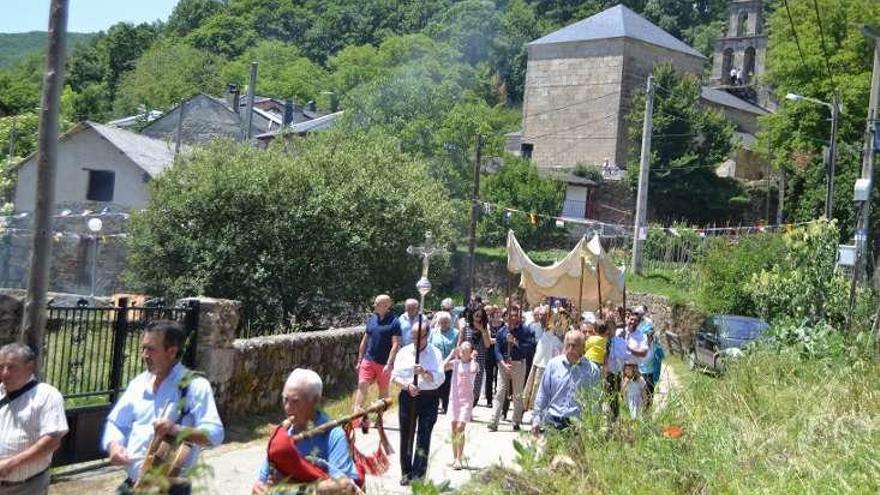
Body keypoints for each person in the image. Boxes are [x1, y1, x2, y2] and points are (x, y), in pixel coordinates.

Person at [103, 320, 224, 495]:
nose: (144, 354)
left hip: (170, 489)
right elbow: (116, 423)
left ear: (172, 351)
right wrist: (114, 446)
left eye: (151, 349)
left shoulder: (195, 386)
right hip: (134, 485)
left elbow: (215, 435)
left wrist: (175, 429)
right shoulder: (138, 384)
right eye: (143, 348)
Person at [252, 369, 358, 495]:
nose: (288, 408)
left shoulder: (333, 435)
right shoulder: (282, 437)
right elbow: (263, 481)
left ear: (315, 401)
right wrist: (258, 489)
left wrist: (291, 488)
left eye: (295, 401)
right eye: (285, 399)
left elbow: (344, 487)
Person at [0, 343, 68, 495]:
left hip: (27, 487)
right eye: (1, 367)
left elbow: (52, 441)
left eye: (11, 367)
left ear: (29, 367)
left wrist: (10, 464)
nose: (5, 373)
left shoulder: (47, 396)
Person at [391, 321, 445, 486]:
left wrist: (424, 372)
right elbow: (394, 376)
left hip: (429, 398)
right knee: (406, 434)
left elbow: (440, 379)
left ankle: (418, 475)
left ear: (427, 336)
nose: (414, 340)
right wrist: (407, 385)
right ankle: (406, 472)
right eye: (412, 336)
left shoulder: (435, 353)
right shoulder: (404, 352)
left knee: (424, 435)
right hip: (408, 397)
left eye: (418, 337)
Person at [531, 330, 601, 435]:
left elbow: (595, 399)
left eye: (575, 346)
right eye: (568, 345)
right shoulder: (553, 365)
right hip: (553, 420)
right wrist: (536, 419)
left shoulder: (592, 370)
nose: (571, 349)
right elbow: (543, 393)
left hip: (578, 424)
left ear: (583, 348)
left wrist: (593, 425)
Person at [354, 294, 401, 433]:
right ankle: (358, 416)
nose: (374, 305)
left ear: (386, 305)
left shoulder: (394, 322)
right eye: (375, 303)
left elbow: (396, 344)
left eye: (377, 303)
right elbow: (365, 340)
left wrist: (389, 363)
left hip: (384, 363)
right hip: (368, 359)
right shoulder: (372, 319)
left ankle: (379, 419)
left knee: (383, 391)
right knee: (362, 384)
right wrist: (359, 360)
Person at [488, 305, 535, 432]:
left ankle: (516, 421)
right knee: (500, 392)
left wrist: (514, 341)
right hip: (504, 365)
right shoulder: (502, 331)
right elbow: (497, 350)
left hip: (518, 364)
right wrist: (503, 364)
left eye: (516, 315)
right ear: (507, 316)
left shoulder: (525, 331)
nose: (513, 318)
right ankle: (494, 421)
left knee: (518, 394)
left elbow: (528, 348)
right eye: (511, 315)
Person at [443, 342, 479, 470]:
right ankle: (455, 457)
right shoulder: (456, 363)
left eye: (466, 349)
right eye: (461, 349)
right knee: (453, 428)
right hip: (454, 399)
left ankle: (459, 458)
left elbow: (474, 370)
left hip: (466, 400)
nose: (463, 351)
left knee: (460, 427)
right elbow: (442, 367)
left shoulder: (473, 364)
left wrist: (474, 358)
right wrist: (451, 355)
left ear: (470, 352)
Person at [523, 311, 563, 410]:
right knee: (536, 387)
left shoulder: (559, 338)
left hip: (552, 367)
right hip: (540, 364)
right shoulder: (545, 333)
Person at [457, 306, 491, 407]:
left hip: (479, 359)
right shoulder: (465, 327)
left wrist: (482, 330)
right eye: (476, 315)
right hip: (465, 360)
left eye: (480, 316)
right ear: (471, 315)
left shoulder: (484, 328)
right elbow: (459, 344)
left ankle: (471, 406)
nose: (478, 318)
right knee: (464, 384)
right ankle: (464, 407)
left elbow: (487, 345)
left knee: (476, 386)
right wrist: (459, 356)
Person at [429, 311, 458, 414]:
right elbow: (429, 346)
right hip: (436, 363)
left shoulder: (455, 333)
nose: (444, 324)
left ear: (450, 322)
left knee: (447, 386)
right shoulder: (433, 332)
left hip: (450, 364)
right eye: (442, 322)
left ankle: (446, 407)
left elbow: (456, 348)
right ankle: (434, 406)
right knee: (436, 385)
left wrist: (450, 360)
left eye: (446, 322)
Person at [639, 327, 665, 409]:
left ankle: (648, 416)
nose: (649, 337)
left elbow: (662, 356)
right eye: (647, 335)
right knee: (642, 397)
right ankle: (641, 415)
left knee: (650, 396)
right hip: (641, 374)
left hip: (651, 374)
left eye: (651, 335)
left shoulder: (655, 345)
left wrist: (658, 345)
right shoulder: (640, 345)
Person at [483, 305, 503, 408]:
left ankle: (499, 399)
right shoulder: (488, 325)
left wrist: (496, 340)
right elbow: (489, 340)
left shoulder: (504, 325)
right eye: (497, 313)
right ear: (493, 314)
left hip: (500, 353)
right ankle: (489, 399)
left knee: (499, 377)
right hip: (490, 353)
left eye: (500, 313)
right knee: (489, 377)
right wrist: (499, 340)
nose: (499, 315)